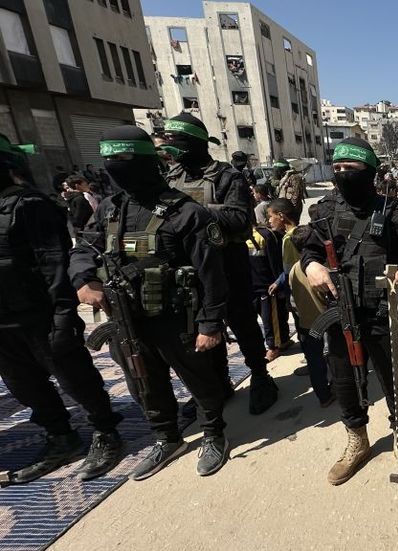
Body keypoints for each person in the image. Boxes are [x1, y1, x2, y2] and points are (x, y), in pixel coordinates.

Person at [70, 125, 231, 479]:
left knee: (200, 380)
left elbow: (211, 275)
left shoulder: (185, 212)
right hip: (127, 317)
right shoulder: (110, 210)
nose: (115, 166)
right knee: (143, 382)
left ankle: (213, 433)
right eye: (109, 159)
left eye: (124, 158)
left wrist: (210, 324)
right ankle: (166, 437)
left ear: (146, 161)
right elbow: (85, 248)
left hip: (176, 315)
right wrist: (85, 278)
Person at [301, 138, 398, 485]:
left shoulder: (396, 213)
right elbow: (308, 251)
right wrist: (311, 265)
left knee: (397, 383)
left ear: (370, 173)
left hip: (384, 316)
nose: (343, 174)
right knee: (344, 381)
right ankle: (357, 441)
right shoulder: (324, 211)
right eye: (338, 168)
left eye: (352, 169)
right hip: (341, 314)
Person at [0, 134, 125, 485]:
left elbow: (54, 264)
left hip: (40, 314)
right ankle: (61, 437)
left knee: (75, 379)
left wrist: (62, 316)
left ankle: (105, 432)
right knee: (24, 385)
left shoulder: (29, 205)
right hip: (4, 322)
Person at [162, 112, 278, 414]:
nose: (171, 145)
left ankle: (261, 377)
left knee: (242, 324)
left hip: (228, 263)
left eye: (178, 140)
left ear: (196, 142)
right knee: (199, 326)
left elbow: (241, 219)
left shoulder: (226, 176)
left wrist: (192, 210)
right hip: (188, 267)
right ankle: (217, 383)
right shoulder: (171, 177)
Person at [267, 198, 333, 407]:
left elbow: (289, 275)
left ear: (282, 216)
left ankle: (324, 392)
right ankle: (329, 388)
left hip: (307, 313)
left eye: (270, 216)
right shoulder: (314, 265)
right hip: (317, 313)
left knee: (315, 353)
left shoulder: (291, 247)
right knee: (325, 352)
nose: (268, 220)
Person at [246, 206, 289, 362]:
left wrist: (278, 282)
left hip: (267, 286)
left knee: (269, 319)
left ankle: (273, 346)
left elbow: (275, 262)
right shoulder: (237, 238)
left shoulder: (265, 235)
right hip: (251, 286)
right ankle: (282, 340)